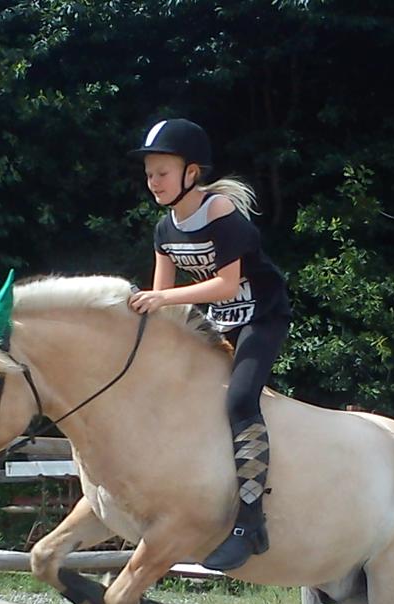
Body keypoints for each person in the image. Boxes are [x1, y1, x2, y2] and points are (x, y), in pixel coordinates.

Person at [128, 118, 292, 571]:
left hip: (261, 318)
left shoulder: (219, 212)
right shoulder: (164, 229)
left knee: (239, 400)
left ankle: (250, 523)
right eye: (149, 173)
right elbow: (159, 301)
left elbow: (226, 285)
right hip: (219, 322)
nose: (153, 181)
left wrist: (162, 299)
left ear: (191, 173)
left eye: (162, 172)